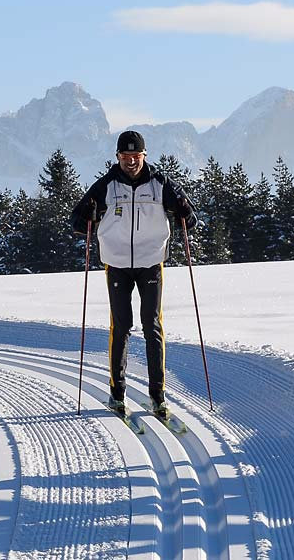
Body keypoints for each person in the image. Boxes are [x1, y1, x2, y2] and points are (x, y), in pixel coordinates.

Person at [68, 130, 196, 419]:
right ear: (117, 157)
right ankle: (116, 394)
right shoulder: (105, 186)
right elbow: (76, 220)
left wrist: (184, 212)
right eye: (125, 157)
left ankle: (158, 397)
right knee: (121, 326)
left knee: (152, 326)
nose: (131, 162)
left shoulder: (161, 184)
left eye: (136, 157)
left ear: (144, 156)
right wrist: (86, 218)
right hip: (116, 263)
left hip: (151, 262)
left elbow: (191, 219)